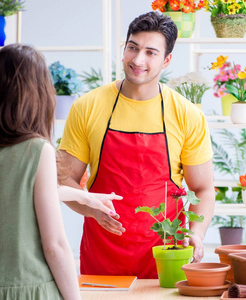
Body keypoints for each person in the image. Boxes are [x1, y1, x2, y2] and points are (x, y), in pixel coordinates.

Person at [0, 43, 122, 299]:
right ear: (38, 93)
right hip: (27, 291)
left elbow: (16, 193)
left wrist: (83, 196)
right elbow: (54, 246)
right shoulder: (36, 150)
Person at [58, 11, 215, 279]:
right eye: (133, 48)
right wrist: (91, 208)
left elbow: (202, 188)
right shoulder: (88, 106)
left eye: (150, 52)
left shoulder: (187, 114)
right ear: (124, 49)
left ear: (167, 60)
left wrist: (195, 234)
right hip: (103, 251)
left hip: (167, 251)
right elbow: (63, 180)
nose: (138, 59)